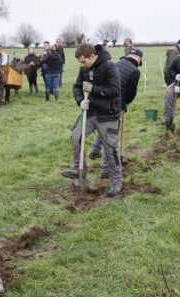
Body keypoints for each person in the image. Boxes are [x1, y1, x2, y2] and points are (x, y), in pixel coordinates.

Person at [61, 43, 123, 197]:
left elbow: (115, 90)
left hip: (108, 114)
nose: (81, 65)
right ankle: (80, 171)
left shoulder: (109, 66)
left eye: (83, 61)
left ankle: (116, 180)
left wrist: (93, 89)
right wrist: (80, 100)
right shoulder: (84, 68)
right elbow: (77, 86)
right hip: (90, 112)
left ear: (93, 56)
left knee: (110, 147)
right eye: (80, 63)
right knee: (76, 136)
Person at [89, 48, 143, 179]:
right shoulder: (135, 71)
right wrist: (125, 104)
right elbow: (130, 93)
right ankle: (108, 170)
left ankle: (95, 150)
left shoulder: (115, 64)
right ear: (139, 59)